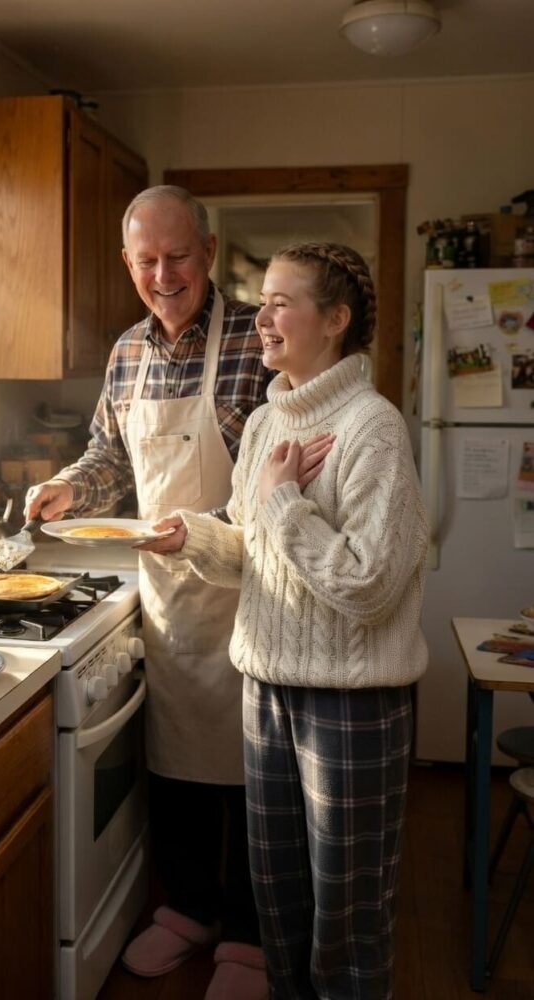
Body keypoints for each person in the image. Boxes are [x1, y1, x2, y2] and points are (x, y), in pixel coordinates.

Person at [140, 242, 429, 999]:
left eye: (280, 303)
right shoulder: (271, 423)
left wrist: (279, 502)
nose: (259, 318)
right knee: (280, 903)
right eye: (260, 300)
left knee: (347, 913)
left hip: (350, 702)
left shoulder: (373, 429)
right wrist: (192, 536)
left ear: (334, 320)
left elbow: (366, 585)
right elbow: (254, 548)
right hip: (266, 684)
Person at [25, 185, 291, 999]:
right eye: (146, 260)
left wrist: (199, 526)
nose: (163, 274)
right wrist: (69, 487)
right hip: (170, 591)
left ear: (208, 253)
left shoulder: (260, 335)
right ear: (126, 262)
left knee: (254, 771)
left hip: (251, 586)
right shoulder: (126, 352)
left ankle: (251, 933)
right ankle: (189, 912)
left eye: (178, 256)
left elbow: (280, 474)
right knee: (174, 761)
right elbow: (110, 458)